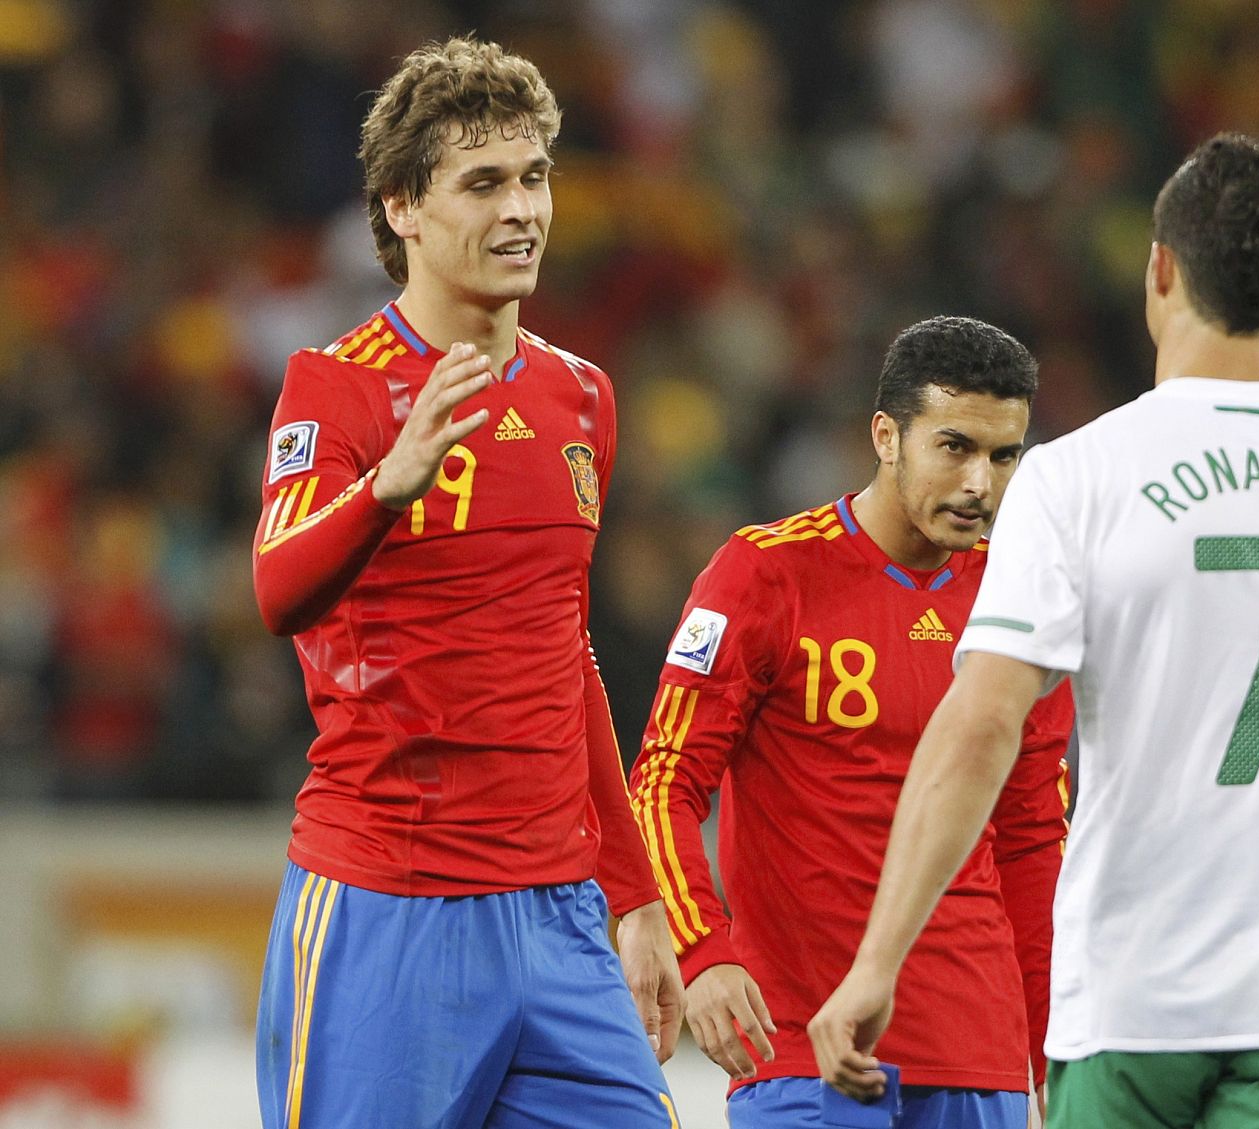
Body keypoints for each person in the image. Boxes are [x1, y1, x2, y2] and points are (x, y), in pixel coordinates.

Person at [810, 134, 1259, 1128]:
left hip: (1134, 997)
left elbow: (980, 727)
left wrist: (875, 960)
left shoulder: (1074, 479)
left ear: (1159, 268)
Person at [250, 37, 683, 1129]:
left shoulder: (581, 395)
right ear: (401, 208)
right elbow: (276, 591)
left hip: (558, 918)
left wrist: (634, 896)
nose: (522, 208)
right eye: (483, 182)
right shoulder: (335, 388)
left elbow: (564, 650)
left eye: (534, 176)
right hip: (389, 908)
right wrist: (388, 487)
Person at [630, 316, 1076, 1129]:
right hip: (802, 1049)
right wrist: (703, 952)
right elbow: (662, 782)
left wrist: (1053, 1047)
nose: (982, 481)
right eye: (955, 447)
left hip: (980, 1057)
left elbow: (1032, 838)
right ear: (886, 436)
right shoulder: (766, 574)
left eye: (1004, 455)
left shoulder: (1019, 605)